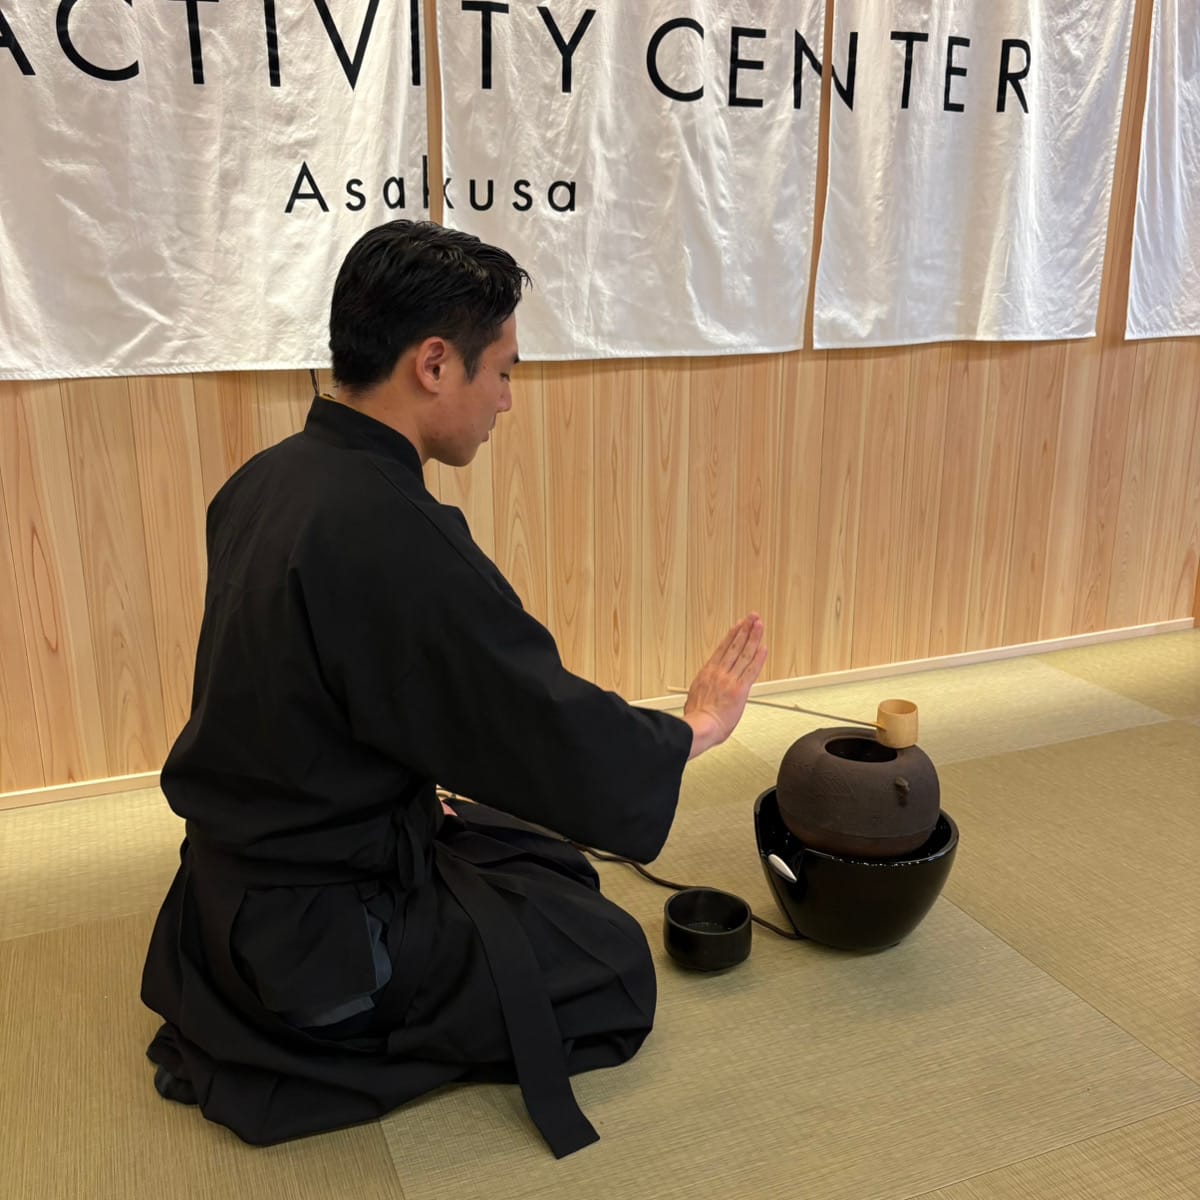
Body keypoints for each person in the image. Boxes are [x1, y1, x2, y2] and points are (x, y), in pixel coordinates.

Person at [141, 220, 767, 1158]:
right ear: (435, 363)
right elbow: (530, 713)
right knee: (613, 966)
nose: (508, 400)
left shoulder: (264, 480)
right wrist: (689, 731)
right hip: (322, 946)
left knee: (541, 859)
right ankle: (314, 1040)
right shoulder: (395, 534)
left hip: (222, 904)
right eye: (503, 371)